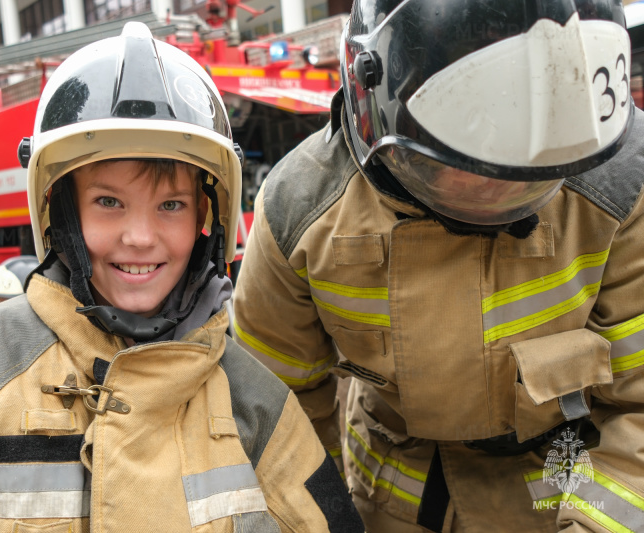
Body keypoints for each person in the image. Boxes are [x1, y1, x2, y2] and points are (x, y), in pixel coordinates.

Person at [0, 23, 364, 532]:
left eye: (171, 205)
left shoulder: (255, 400)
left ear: (207, 221)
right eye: (108, 202)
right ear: (62, 215)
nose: (139, 236)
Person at [232, 1, 644, 531]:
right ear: (374, 96)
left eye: (531, 174)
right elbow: (278, 419)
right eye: (466, 160)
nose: (499, 190)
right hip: (388, 498)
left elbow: (638, 408)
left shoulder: (621, 188)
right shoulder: (299, 212)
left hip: (558, 488)